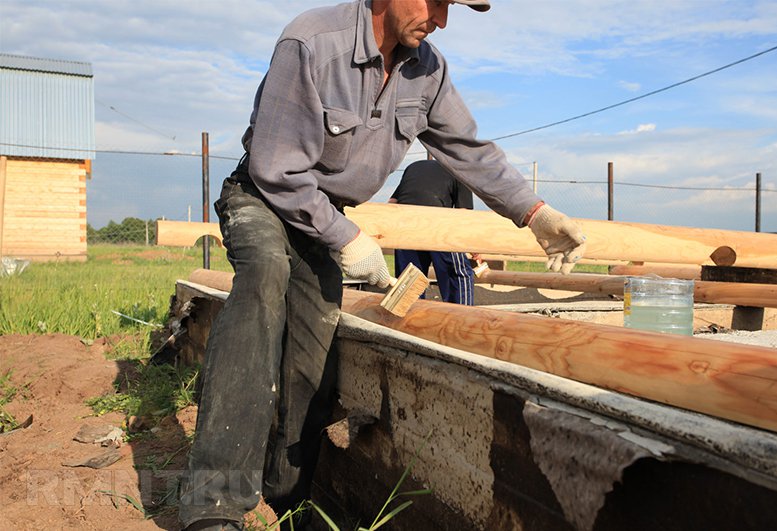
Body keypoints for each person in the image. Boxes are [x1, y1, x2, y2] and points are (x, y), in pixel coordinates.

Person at [178, 1, 587, 529]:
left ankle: (289, 500)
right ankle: (214, 503)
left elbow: (467, 149)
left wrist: (534, 212)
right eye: (436, 1)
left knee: (313, 351)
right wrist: (347, 239)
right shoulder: (311, 42)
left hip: (327, 216)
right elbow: (276, 168)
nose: (441, 19)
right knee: (263, 284)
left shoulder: (427, 69)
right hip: (264, 198)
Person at [389, 159, 476, 305]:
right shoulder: (462, 170)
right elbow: (463, 215)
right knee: (458, 275)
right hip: (437, 223)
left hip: (404, 224)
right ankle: (462, 319)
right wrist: (472, 247)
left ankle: (405, 322)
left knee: (408, 280)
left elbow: (391, 203)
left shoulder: (414, 166)